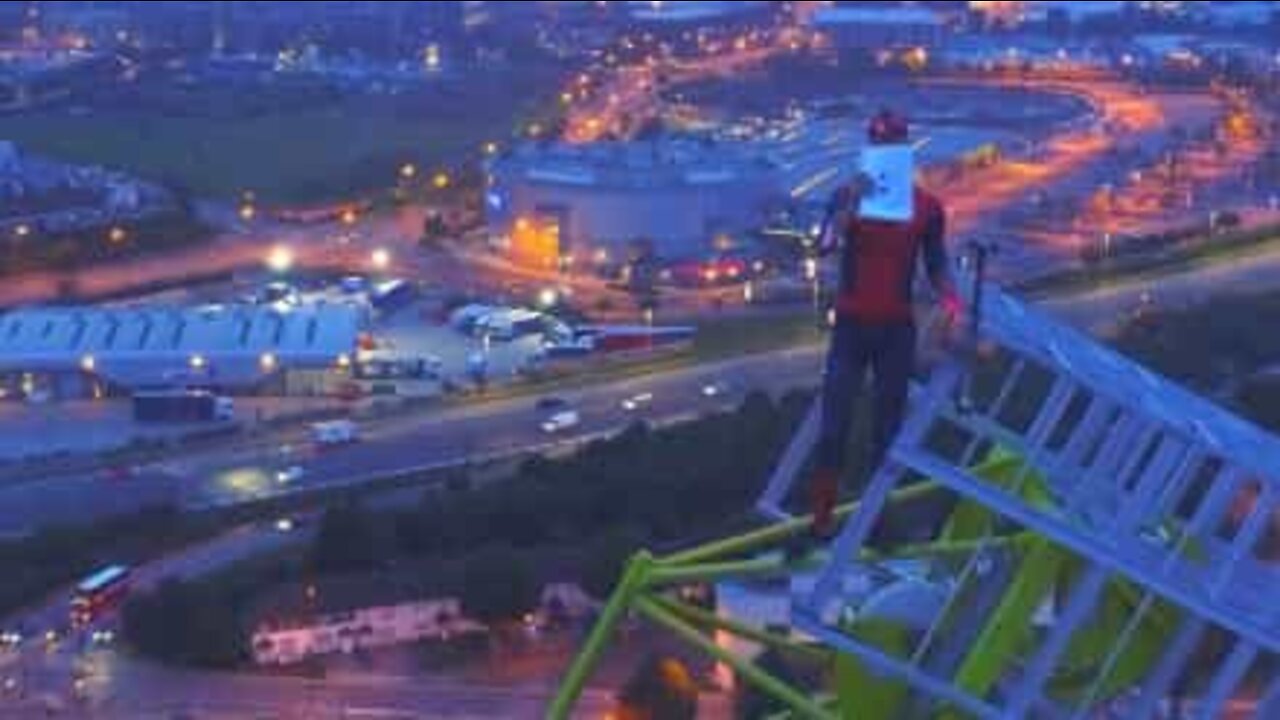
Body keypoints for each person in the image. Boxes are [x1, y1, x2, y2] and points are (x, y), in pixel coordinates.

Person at [808, 109, 962, 538]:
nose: (884, 150)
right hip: (852, 326)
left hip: (896, 328)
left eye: (892, 144)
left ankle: (877, 522)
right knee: (834, 425)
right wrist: (851, 204)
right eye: (878, 143)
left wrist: (954, 303)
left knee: (887, 430)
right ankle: (821, 519)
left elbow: (935, 262)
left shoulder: (927, 208)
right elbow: (823, 246)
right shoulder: (845, 195)